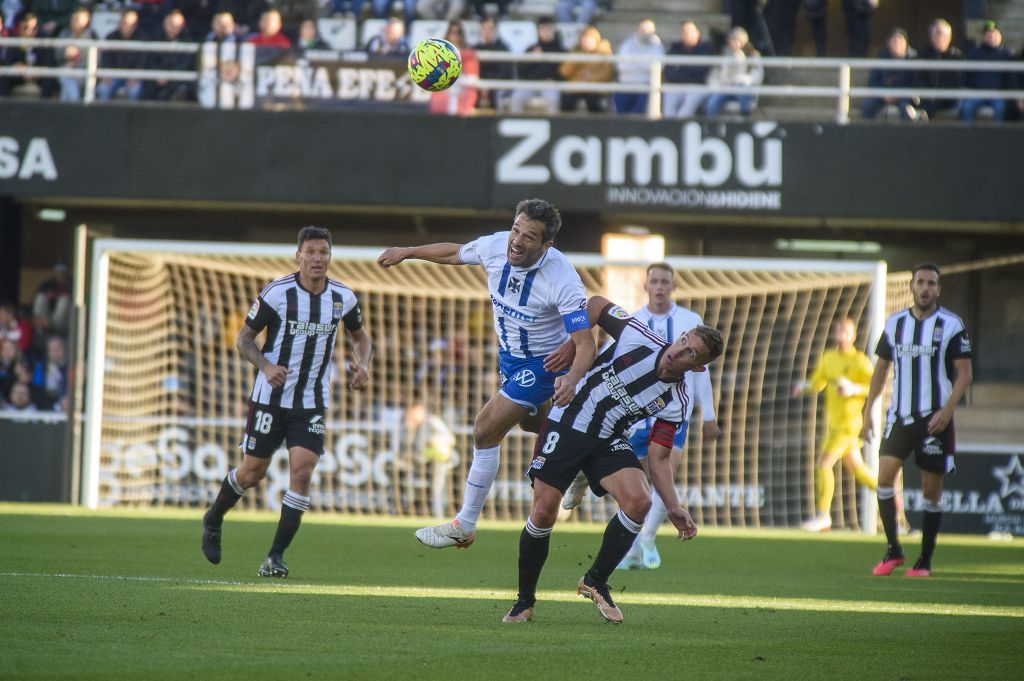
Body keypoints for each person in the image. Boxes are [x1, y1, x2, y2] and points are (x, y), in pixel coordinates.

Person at [377, 198, 597, 549]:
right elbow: (455, 253)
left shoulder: (562, 279)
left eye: (529, 237)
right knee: (529, 424)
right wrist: (409, 251)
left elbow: (586, 343)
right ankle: (584, 457)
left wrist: (570, 378)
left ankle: (464, 523)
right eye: (516, 230)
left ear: (546, 245)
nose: (517, 241)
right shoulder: (496, 246)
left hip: (544, 363)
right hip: (509, 359)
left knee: (485, 429)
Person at [502, 295, 724, 623]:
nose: (679, 350)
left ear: (698, 366)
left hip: (607, 440)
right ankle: (524, 602)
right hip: (568, 422)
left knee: (639, 502)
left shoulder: (676, 401)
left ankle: (594, 581)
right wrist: (574, 344)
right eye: (683, 340)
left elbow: (659, 459)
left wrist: (674, 506)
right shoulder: (638, 334)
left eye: (690, 352)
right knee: (544, 512)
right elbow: (595, 305)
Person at [201, 226, 373, 578]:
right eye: (310, 252)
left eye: (323, 252)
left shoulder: (343, 297)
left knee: (303, 472)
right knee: (252, 473)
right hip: (270, 398)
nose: (317, 259)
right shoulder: (277, 294)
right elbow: (244, 339)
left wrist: (363, 365)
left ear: (330, 257)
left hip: (311, 400)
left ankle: (274, 557)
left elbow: (362, 338)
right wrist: (265, 366)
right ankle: (214, 516)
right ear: (298, 256)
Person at [861, 263, 972, 578]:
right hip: (900, 417)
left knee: (930, 490)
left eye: (931, 283)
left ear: (938, 289)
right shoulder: (895, 323)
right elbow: (880, 369)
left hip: (935, 419)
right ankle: (894, 549)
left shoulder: (951, 324)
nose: (925, 288)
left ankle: (924, 559)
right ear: (911, 286)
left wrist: (947, 410)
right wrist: (868, 409)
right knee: (883, 478)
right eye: (920, 282)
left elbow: (965, 375)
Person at [792, 317, 875, 532]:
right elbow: (819, 382)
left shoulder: (860, 361)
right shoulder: (829, 357)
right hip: (835, 423)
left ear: (853, 336)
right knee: (859, 471)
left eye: (845, 330)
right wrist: (804, 387)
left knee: (823, 464)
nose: (841, 333)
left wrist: (854, 389)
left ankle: (823, 516)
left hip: (848, 425)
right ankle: (892, 496)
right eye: (838, 329)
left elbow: (875, 386)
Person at [508, 16, 565, 115]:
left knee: (553, 100)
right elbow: (520, 70)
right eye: (543, 28)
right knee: (516, 98)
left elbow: (563, 72)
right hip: (530, 83)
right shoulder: (531, 49)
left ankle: (554, 129)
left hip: (549, 83)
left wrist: (553, 78)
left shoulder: (560, 50)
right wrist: (532, 59)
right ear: (538, 30)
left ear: (553, 30)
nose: (546, 31)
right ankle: (517, 128)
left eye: (549, 28)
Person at [861, 28, 920, 121]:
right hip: (884, 94)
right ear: (888, 43)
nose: (896, 43)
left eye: (900, 40)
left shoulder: (914, 58)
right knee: (867, 105)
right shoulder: (882, 58)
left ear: (906, 43)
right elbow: (872, 81)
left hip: (905, 96)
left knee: (908, 111)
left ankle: (907, 135)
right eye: (893, 40)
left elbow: (916, 83)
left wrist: (898, 94)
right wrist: (883, 93)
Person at [960, 21, 1014, 122]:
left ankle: (998, 137)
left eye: (993, 33)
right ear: (983, 36)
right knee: (966, 107)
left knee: (1001, 108)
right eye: (987, 34)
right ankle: (967, 136)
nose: (990, 36)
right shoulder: (975, 53)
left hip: (998, 94)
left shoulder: (1007, 54)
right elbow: (967, 75)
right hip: (978, 93)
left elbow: (1010, 77)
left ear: (999, 35)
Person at [705, 26, 762, 119]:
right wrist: (720, 84)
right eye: (733, 40)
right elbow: (713, 76)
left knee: (743, 90)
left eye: (739, 40)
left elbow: (756, 76)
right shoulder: (722, 54)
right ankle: (711, 126)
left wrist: (739, 80)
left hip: (742, 87)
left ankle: (744, 121)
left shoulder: (753, 55)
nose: (736, 43)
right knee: (712, 102)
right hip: (724, 88)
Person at [141, 10, 197, 102]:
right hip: (156, 77)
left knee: (177, 90)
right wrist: (158, 74)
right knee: (146, 89)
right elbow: (150, 59)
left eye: (176, 25)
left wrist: (169, 76)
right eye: (170, 23)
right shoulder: (155, 38)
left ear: (182, 26)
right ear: (164, 23)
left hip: (176, 78)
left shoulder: (187, 41)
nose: (173, 27)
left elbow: (185, 64)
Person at [661, 20, 713, 119]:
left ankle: (679, 131)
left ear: (697, 33)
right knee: (668, 106)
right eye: (684, 32)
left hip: (697, 87)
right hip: (678, 85)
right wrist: (687, 72)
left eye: (689, 32)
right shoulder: (675, 48)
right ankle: (669, 131)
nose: (687, 35)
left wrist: (680, 69)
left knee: (685, 110)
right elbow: (668, 72)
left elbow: (701, 72)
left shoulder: (705, 48)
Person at [427, 20, 479, 116]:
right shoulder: (440, 54)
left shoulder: (468, 55)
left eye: (458, 32)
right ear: (448, 33)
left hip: (462, 94)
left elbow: (472, 80)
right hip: (444, 95)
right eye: (452, 32)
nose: (455, 36)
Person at [558, 24, 613, 114]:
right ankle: (566, 125)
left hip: (596, 87)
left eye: (589, 39)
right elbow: (564, 72)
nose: (586, 42)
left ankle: (596, 126)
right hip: (577, 86)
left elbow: (607, 74)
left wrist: (590, 79)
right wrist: (577, 58)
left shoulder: (604, 52)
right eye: (584, 39)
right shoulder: (576, 52)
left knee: (593, 100)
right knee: (566, 99)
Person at [916, 18, 964, 121]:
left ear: (949, 37)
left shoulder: (957, 56)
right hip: (927, 97)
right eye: (936, 34)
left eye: (943, 34)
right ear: (931, 36)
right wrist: (928, 92)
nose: (940, 38)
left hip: (949, 98)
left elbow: (958, 81)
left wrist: (939, 94)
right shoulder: (924, 55)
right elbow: (919, 78)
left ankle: (924, 116)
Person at [614, 19, 663, 115]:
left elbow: (658, 66)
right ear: (638, 29)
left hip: (645, 84)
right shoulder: (627, 44)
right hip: (626, 83)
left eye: (649, 30)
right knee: (621, 113)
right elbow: (622, 66)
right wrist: (644, 64)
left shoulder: (657, 46)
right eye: (643, 30)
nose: (646, 33)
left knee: (639, 112)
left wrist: (634, 61)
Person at [97, 9, 146, 102]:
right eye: (125, 23)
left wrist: (135, 75)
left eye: (132, 24)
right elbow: (105, 59)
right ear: (120, 23)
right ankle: (103, 116)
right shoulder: (111, 37)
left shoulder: (141, 38)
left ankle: (132, 116)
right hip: (113, 75)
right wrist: (106, 75)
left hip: (133, 76)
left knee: (135, 90)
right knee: (103, 88)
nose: (128, 26)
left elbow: (142, 60)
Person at [474, 16, 515, 112]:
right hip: (479, 84)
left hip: (498, 83)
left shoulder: (503, 48)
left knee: (498, 95)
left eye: (490, 29)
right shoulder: (475, 48)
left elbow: (506, 72)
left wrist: (489, 84)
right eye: (484, 28)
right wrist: (482, 84)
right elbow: (473, 70)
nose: (487, 32)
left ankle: (495, 123)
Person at [31, 263, 70, 335]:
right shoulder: (48, 284)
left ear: (67, 272)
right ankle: (40, 325)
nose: (60, 274)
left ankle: (56, 329)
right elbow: (38, 296)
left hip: (63, 321)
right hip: (47, 317)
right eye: (58, 272)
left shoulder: (72, 284)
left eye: (63, 272)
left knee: (64, 301)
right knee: (41, 297)